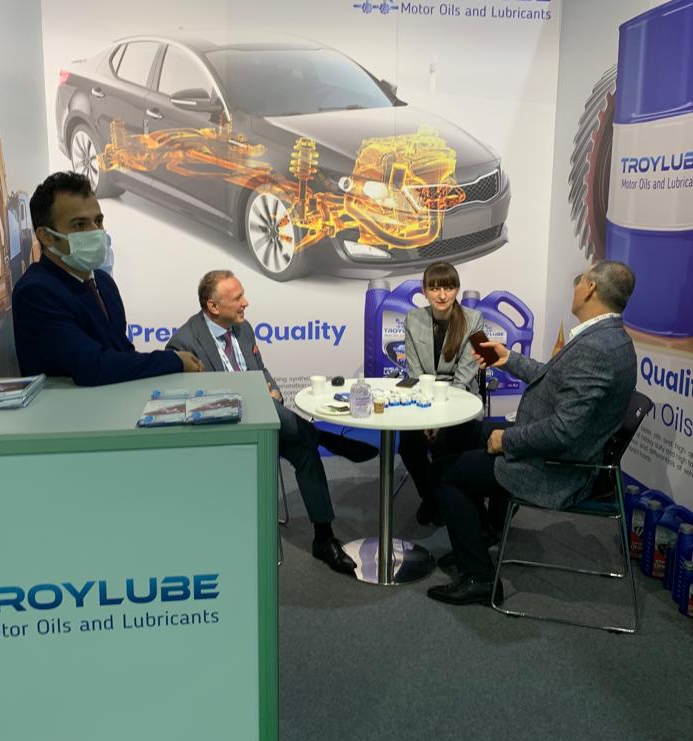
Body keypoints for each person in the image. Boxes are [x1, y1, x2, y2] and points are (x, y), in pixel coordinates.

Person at [426, 260, 637, 607]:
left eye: (580, 280)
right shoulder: (607, 337)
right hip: (551, 445)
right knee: (460, 435)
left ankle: (480, 578)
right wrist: (507, 358)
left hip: (555, 466)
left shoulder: (596, 348)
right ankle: (480, 532)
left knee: (443, 474)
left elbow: (563, 431)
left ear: (590, 289)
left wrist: (507, 441)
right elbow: (555, 379)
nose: (575, 286)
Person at [167, 270, 378, 576]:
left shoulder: (243, 328)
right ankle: (323, 436)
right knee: (285, 424)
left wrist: (274, 391)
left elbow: (261, 369)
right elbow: (192, 401)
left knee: (305, 452)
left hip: (265, 422)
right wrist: (250, 396)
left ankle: (323, 538)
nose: (246, 303)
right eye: (237, 298)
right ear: (213, 306)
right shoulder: (184, 343)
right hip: (224, 432)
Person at [12, 172, 203, 385]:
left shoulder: (103, 282)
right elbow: (92, 366)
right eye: (79, 225)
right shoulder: (36, 291)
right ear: (46, 236)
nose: (95, 232)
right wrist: (173, 361)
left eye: (98, 221)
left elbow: (122, 353)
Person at [399, 261, 483, 526]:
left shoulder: (473, 319)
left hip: (459, 396)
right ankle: (431, 497)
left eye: (449, 287)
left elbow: (464, 376)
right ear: (424, 291)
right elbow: (414, 371)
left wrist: (439, 419)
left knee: (445, 443)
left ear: (457, 289)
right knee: (408, 445)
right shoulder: (413, 319)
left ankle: (454, 499)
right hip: (423, 393)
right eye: (435, 288)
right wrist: (427, 415)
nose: (443, 295)